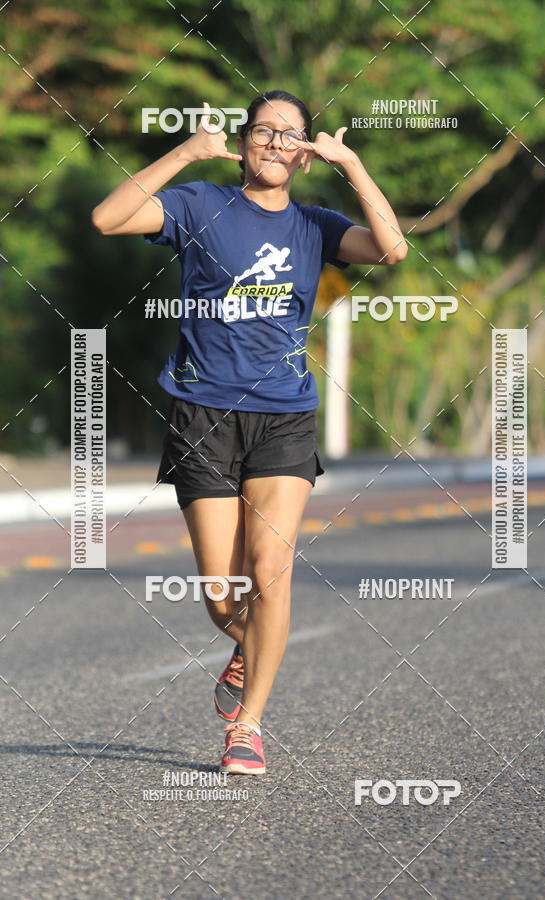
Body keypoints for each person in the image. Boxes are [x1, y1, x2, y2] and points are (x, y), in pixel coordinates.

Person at [92, 89, 407, 775]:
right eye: (264, 131)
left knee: (271, 571)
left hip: (285, 415)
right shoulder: (201, 204)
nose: (275, 143)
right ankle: (248, 644)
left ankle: (249, 727)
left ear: (303, 151)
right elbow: (107, 217)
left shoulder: (316, 225)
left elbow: (393, 249)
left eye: (290, 134)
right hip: (201, 411)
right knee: (221, 596)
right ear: (244, 141)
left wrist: (352, 164)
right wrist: (187, 151)